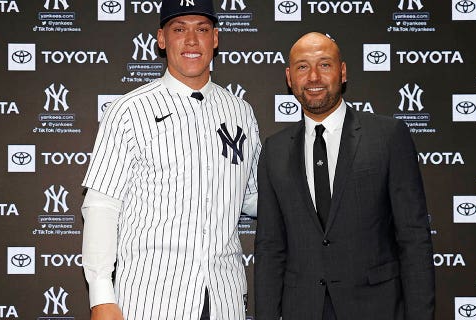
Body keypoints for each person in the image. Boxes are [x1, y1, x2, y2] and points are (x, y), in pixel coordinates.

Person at [80, 1, 260, 319]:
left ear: (215, 38)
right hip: (151, 298)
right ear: (162, 39)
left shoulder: (240, 112)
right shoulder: (129, 111)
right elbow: (101, 206)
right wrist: (101, 295)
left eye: (202, 29)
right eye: (179, 29)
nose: (191, 40)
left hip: (224, 297)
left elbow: (254, 198)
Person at [254, 32, 435, 319]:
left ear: (343, 71)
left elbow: (413, 239)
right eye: (302, 67)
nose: (313, 77)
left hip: (377, 309)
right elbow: (269, 248)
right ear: (290, 77)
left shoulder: (388, 137)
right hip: (302, 309)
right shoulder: (274, 151)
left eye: (324, 65)